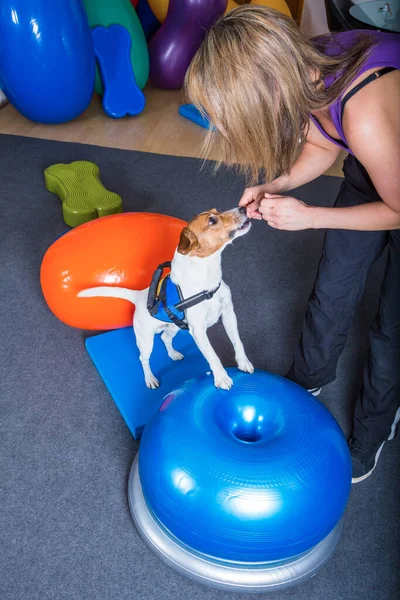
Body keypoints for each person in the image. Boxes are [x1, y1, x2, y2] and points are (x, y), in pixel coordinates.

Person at [185, 5, 400, 483]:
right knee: (334, 286)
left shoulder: (364, 111)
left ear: (268, 88)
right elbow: (326, 138)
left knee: (392, 326)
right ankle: (308, 381)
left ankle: (373, 428)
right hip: (377, 158)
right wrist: (279, 185)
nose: (225, 129)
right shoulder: (304, 68)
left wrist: (312, 217)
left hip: (391, 158)